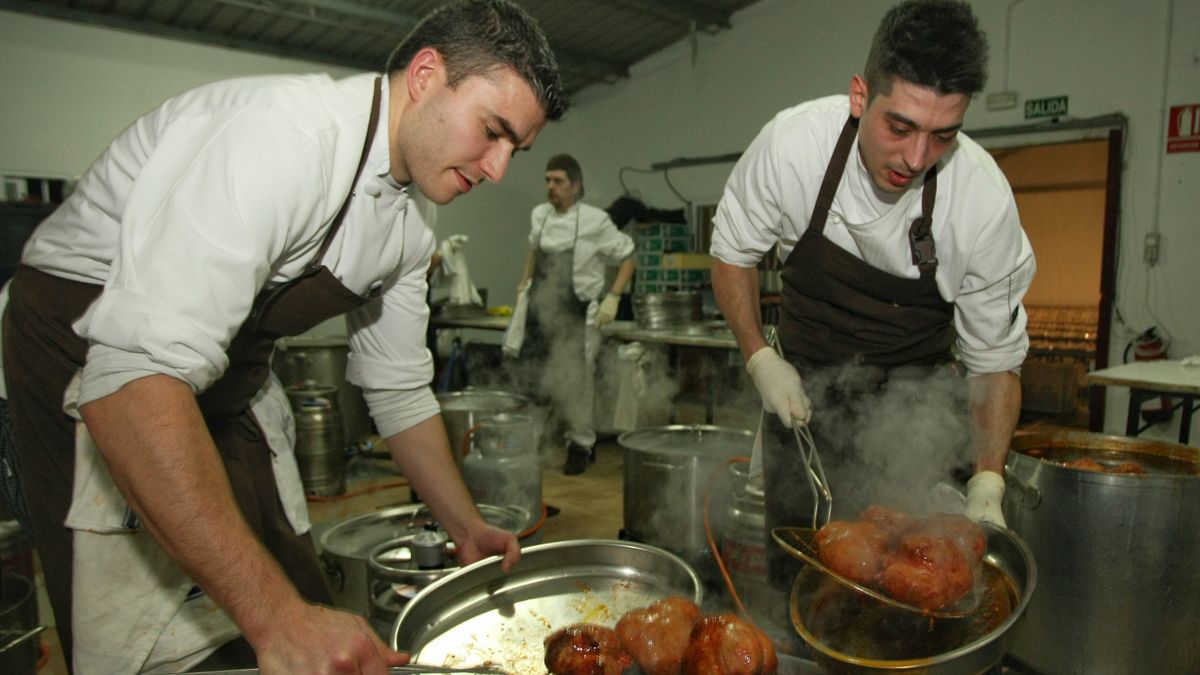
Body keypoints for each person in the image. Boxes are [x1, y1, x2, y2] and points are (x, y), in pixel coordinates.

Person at [0, 0, 566, 673]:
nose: (499, 168)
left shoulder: (409, 228)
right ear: (424, 75)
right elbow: (129, 386)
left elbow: (398, 388)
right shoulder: (279, 141)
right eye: (493, 131)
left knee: (293, 596)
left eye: (516, 150)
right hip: (86, 354)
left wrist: (464, 524)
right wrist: (276, 619)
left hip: (217, 380)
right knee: (171, 639)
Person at [709, 0, 1034, 612]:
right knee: (799, 588)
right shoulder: (793, 148)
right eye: (900, 127)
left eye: (944, 135)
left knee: (907, 598)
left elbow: (994, 362)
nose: (916, 158)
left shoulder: (981, 201)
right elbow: (732, 252)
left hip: (912, 416)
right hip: (801, 399)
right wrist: (758, 358)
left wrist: (988, 480)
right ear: (860, 96)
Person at [514, 154, 636, 475]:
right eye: (547, 180)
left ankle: (582, 444)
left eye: (558, 181)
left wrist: (613, 297)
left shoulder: (595, 221)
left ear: (576, 186)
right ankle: (534, 441)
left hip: (580, 316)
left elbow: (628, 257)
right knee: (536, 379)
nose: (550, 187)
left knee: (576, 384)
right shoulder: (539, 215)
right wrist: (524, 282)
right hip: (542, 311)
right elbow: (533, 249)